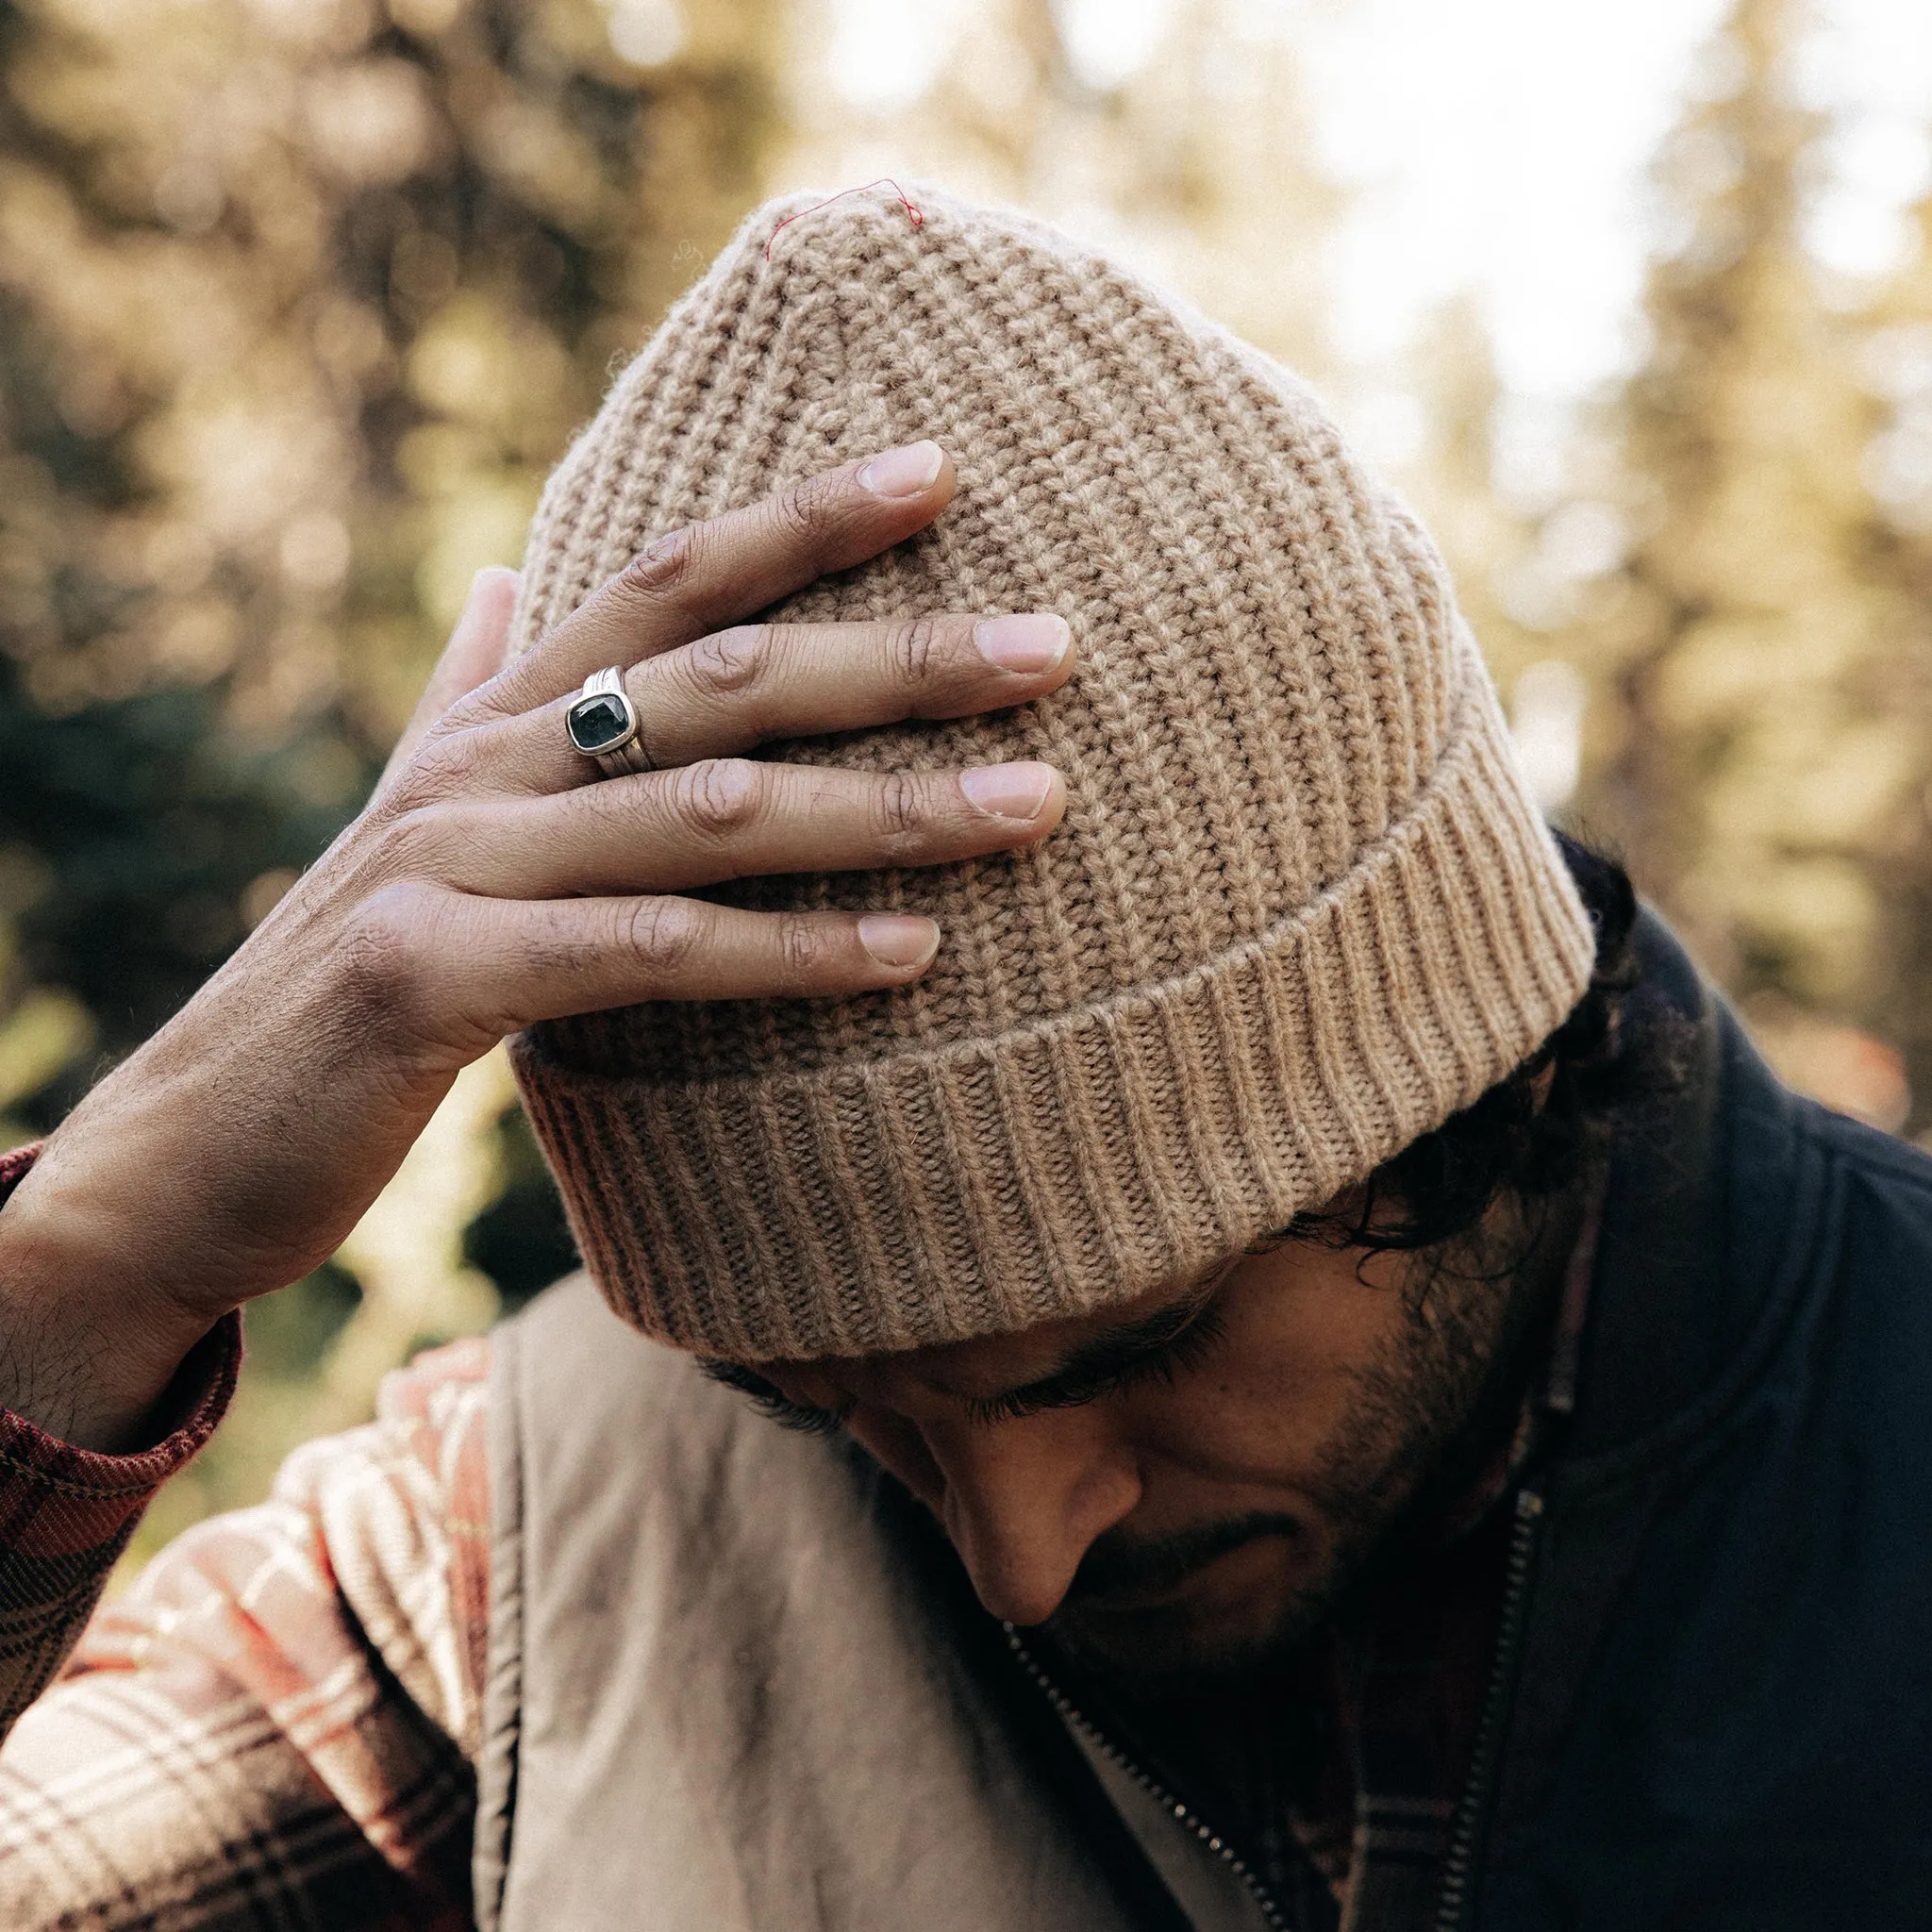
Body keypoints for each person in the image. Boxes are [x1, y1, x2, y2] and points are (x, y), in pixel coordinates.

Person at [0, 183, 1927, 1932]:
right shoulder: (527, 1550)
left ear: (1479, 1078)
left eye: (1132, 1338)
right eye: (834, 1401)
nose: (1015, 1558)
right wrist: (94, 1267)